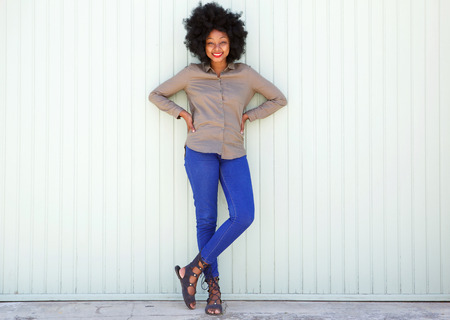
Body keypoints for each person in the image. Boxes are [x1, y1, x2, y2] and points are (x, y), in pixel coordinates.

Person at [149, 2, 287, 316]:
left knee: (244, 215)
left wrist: (250, 115)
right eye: (210, 43)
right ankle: (213, 290)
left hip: (234, 153)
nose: (216, 48)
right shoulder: (191, 74)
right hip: (199, 152)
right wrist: (182, 112)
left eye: (222, 42)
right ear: (201, 43)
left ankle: (192, 270)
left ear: (232, 43)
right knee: (207, 221)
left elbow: (279, 98)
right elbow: (156, 95)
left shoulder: (246, 75)